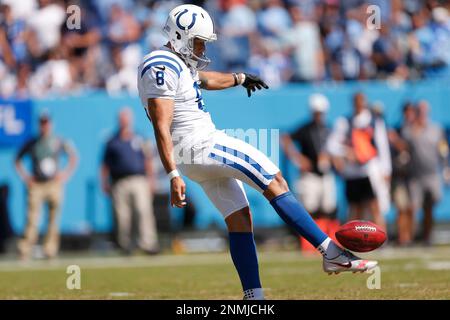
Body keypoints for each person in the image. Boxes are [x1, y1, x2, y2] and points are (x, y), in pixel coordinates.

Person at [137, 4, 377, 300]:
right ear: (180, 35)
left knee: (240, 219)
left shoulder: (177, 62)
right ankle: (331, 252)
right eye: (198, 40)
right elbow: (161, 124)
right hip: (199, 144)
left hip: (194, 155)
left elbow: (205, 79)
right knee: (274, 179)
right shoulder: (160, 64)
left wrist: (239, 78)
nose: (201, 47)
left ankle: (254, 297)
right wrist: (172, 173)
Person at [15, 111, 78, 260]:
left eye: (46, 123)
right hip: (37, 183)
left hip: (53, 183)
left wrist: (64, 174)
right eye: (42, 123)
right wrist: (26, 177)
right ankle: (25, 249)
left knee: (53, 218)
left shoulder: (57, 140)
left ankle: (50, 249)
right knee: (32, 218)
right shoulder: (32, 142)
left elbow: (73, 156)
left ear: (50, 124)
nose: (44, 126)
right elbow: (17, 160)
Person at [281, 93, 339, 254]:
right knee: (310, 210)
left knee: (329, 209)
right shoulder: (306, 129)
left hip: (326, 174)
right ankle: (309, 244)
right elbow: (285, 138)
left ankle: (332, 242)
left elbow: (334, 148)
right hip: (310, 176)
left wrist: (333, 159)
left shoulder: (328, 129)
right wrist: (298, 159)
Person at [327, 92, 391, 232]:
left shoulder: (375, 121)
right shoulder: (344, 122)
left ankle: (381, 238)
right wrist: (347, 152)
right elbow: (331, 145)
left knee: (375, 206)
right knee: (355, 208)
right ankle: (353, 239)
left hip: (370, 171)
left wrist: (386, 170)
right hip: (352, 173)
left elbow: (382, 147)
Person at [101, 108, 159, 255]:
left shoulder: (139, 138)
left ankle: (148, 243)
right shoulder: (112, 141)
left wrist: (151, 180)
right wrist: (104, 182)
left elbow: (148, 160)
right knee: (122, 215)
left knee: (143, 211)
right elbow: (104, 164)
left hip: (139, 180)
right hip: (119, 181)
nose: (124, 121)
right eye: (122, 118)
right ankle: (125, 245)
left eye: (126, 118)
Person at [402, 101, 449, 245]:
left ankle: (427, 237)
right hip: (416, 175)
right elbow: (405, 144)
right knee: (413, 207)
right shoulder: (410, 129)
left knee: (429, 207)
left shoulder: (436, 129)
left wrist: (446, 167)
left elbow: (443, 149)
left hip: (432, 174)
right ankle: (410, 238)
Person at [388, 102, 416, 246]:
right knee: (401, 207)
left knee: (412, 207)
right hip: (399, 175)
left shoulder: (417, 129)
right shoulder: (398, 130)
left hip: (414, 175)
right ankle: (402, 237)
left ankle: (410, 236)